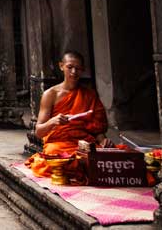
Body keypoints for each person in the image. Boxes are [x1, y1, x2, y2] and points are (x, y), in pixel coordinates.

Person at [25, 51, 109, 183]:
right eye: (70, 67)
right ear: (61, 66)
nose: (74, 72)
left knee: (111, 156)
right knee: (54, 154)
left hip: (84, 144)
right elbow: (39, 131)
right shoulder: (51, 94)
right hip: (59, 143)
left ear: (83, 70)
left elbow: (96, 127)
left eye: (78, 68)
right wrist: (53, 121)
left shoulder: (89, 94)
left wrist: (103, 140)